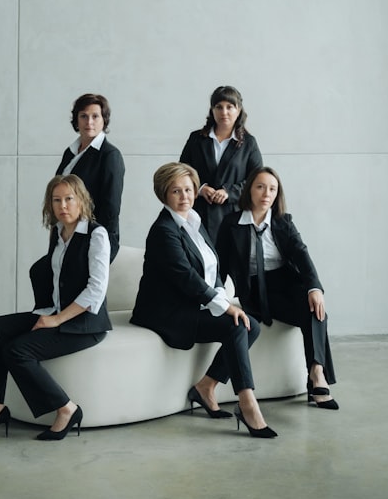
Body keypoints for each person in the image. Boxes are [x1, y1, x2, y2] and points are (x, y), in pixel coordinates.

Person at [130, 162, 277, 438]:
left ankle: (206, 386)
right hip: (167, 312)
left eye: (188, 190)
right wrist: (226, 307)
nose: (184, 196)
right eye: (176, 191)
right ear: (164, 194)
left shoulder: (195, 222)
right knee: (237, 326)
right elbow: (186, 277)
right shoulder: (163, 230)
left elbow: (213, 270)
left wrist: (223, 299)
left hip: (193, 304)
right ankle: (247, 403)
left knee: (251, 326)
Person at [0, 174, 111, 442]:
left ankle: (67, 408)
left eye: (69, 199)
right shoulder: (58, 232)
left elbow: (96, 290)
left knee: (17, 351)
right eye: (56, 200)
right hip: (54, 311)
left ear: (81, 201)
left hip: (84, 324)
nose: (62, 205)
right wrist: (47, 313)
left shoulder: (97, 235)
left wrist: (56, 320)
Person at [216, 166, 338, 410]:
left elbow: (302, 254)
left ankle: (316, 372)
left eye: (272, 189)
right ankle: (317, 383)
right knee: (310, 311)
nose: (266, 194)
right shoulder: (231, 223)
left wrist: (314, 287)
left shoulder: (282, 221)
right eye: (260, 187)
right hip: (254, 289)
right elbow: (220, 264)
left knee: (315, 308)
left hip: (286, 283)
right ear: (250, 190)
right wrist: (217, 297)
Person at [180, 85, 262, 246]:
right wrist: (200, 188)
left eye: (229, 107)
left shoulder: (248, 143)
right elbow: (181, 172)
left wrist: (229, 192)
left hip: (233, 215)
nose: (224, 112)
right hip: (198, 213)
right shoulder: (196, 139)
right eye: (219, 107)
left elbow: (257, 181)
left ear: (238, 110)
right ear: (212, 110)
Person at [56, 93, 124, 261]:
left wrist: (99, 243)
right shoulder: (70, 152)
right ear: (76, 120)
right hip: (65, 233)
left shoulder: (109, 155)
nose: (89, 122)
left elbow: (110, 208)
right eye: (83, 116)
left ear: (104, 120)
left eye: (95, 116)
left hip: (93, 238)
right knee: (40, 272)